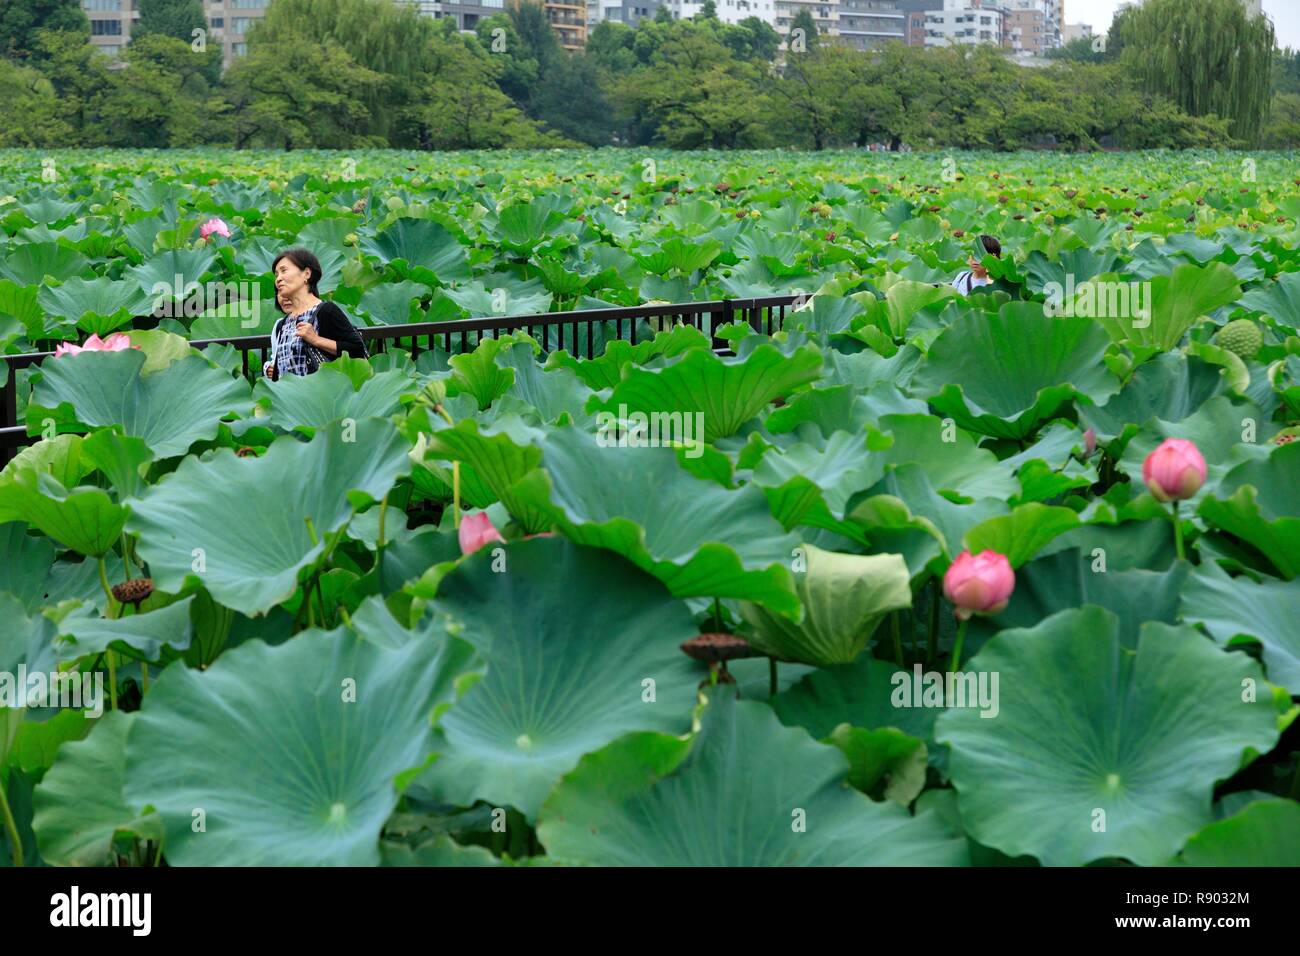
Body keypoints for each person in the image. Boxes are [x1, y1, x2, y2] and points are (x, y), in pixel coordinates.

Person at [262, 248, 367, 381]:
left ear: (306, 274)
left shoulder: (326, 311)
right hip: (290, 399)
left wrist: (316, 340)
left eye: (284, 271)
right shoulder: (283, 324)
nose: (278, 279)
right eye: (276, 274)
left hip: (318, 397)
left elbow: (357, 349)